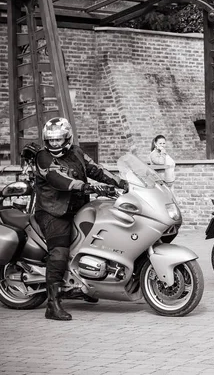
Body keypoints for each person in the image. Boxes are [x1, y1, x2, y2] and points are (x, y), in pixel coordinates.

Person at [35, 117, 127, 320]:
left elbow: (95, 169)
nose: (55, 144)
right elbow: (57, 178)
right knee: (59, 250)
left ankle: (84, 285)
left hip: (79, 207)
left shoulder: (76, 151)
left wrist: (121, 182)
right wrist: (83, 185)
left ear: (67, 138)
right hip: (53, 212)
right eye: (51, 140)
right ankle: (53, 304)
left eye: (59, 140)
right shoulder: (42, 157)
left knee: (97, 240)